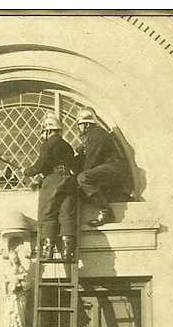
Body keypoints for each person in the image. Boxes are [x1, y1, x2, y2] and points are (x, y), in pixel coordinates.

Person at [22, 112, 78, 262]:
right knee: (66, 214)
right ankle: (67, 251)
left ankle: (48, 250)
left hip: (54, 180)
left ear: (47, 130)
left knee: (47, 213)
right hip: (70, 181)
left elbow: (42, 164)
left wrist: (28, 171)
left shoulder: (48, 144)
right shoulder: (67, 146)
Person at [74, 107, 128, 227]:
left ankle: (106, 211)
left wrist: (77, 179)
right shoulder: (91, 137)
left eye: (80, 125)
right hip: (108, 170)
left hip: (114, 168)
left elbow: (91, 161)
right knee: (78, 186)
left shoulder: (97, 135)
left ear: (86, 124)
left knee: (83, 178)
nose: (78, 128)